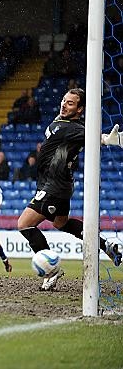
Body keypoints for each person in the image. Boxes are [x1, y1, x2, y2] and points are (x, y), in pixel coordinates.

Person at [18, 88, 122, 291]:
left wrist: (107, 139)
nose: (64, 104)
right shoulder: (63, 121)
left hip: (53, 186)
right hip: (58, 184)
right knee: (61, 223)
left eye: (71, 103)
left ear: (80, 109)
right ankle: (106, 245)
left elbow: (92, 136)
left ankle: (51, 271)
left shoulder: (73, 128)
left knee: (24, 224)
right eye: (64, 100)